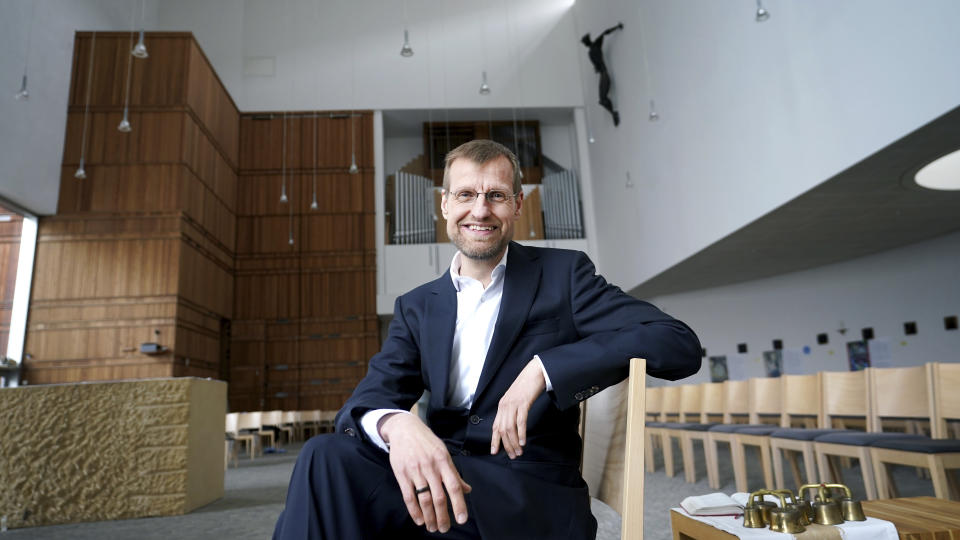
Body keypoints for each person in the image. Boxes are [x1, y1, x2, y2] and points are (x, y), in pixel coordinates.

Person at [273, 139, 701, 539]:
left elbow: (676, 342)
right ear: (444, 205)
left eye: (495, 195)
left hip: (526, 492)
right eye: (465, 195)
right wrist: (397, 424)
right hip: (442, 478)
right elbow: (367, 400)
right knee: (323, 458)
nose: (480, 210)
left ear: (517, 205)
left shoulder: (564, 276)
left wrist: (546, 368)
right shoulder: (416, 306)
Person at [581, 22, 625, 126]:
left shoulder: (596, 43)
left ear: (588, 40)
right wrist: (596, 67)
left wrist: (617, 27)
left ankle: (614, 114)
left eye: (585, 42)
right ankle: (613, 113)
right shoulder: (590, 52)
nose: (585, 44)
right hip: (602, 74)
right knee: (601, 100)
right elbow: (596, 64)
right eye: (584, 43)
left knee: (602, 99)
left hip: (604, 73)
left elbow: (605, 32)